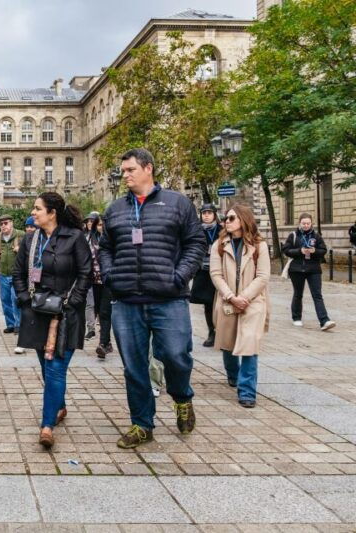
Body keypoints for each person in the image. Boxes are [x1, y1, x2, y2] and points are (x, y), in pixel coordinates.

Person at [99, 148, 205, 449]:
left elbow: (196, 242)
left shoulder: (177, 203)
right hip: (126, 300)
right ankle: (142, 424)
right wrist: (110, 275)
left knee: (175, 355)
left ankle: (182, 397)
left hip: (169, 297)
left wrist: (179, 276)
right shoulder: (115, 209)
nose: (125, 175)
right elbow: (105, 247)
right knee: (134, 367)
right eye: (123, 171)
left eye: (130, 169)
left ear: (148, 169)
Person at [12, 192, 91, 449]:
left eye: (37, 208)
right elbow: (18, 272)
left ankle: (47, 425)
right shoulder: (30, 239)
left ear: (52, 213)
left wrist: (73, 301)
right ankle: (59, 406)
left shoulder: (75, 237)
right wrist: (25, 299)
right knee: (47, 369)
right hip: (37, 312)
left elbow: (86, 272)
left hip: (66, 313)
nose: (33, 213)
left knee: (56, 367)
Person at [210, 204, 270, 408]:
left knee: (249, 344)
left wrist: (244, 297)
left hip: (252, 301)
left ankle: (247, 392)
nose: (227, 222)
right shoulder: (219, 245)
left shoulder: (259, 245)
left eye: (231, 218)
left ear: (243, 220)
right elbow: (215, 274)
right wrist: (230, 296)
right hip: (227, 300)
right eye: (225, 218)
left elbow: (263, 277)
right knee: (228, 343)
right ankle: (233, 375)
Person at [281, 213, 335, 331]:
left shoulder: (316, 236)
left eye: (308, 223)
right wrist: (299, 251)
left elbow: (323, 250)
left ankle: (324, 320)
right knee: (298, 294)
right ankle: (296, 317)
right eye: (303, 223)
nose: (306, 225)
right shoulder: (293, 235)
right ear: (299, 223)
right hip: (297, 269)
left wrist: (314, 251)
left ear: (311, 223)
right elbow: (286, 250)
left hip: (313, 269)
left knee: (317, 295)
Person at [190, 204, 223, 347]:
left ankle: (223, 333)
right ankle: (212, 332)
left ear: (215, 214)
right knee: (208, 303)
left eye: (209, 212)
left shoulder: (222, 230)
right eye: (204, 213)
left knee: (221, 302)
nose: (207, 215)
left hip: (220, 271)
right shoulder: (196, 230)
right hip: (203, 271)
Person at [0, 215, 25, 353]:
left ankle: (18, 325)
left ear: (11, 223)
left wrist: (20, 249)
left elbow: (29, 250)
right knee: (5, 300)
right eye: (1, 224)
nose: (3, 226)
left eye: (5, 223)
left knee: (16, 299)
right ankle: (10, 324)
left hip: (17, 274)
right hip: (3, 273)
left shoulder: (21, 234)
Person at [88, 214, 114, 358]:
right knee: (98, 311)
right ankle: (107, 342)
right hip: (94, 281)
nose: (101, 227)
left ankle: (103, 343)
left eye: (103, 224)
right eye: (99, 225)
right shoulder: (90, 239)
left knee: (105, 312)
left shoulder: (113, 239)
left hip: (108, 280)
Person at [82, 213, 98, 341]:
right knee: (89, 303)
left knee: (101, 305)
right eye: (88, 221)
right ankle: (91, 328)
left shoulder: (101, 237)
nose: (89, 223)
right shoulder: (83, 237)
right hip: (88, 274)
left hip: (101, 276)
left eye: (92, 221)